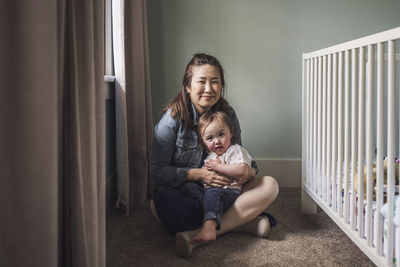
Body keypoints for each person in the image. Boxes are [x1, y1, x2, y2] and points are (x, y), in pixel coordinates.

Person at [150, 53, 279, 257]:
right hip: (188, 192)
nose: (209, 89)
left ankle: (199, 232)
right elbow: (158, 173)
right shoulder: (171, 120)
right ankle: (241, 223)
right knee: (162, 203)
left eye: (215, 82)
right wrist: (199, 174)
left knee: (270, 185)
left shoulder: (228, 114)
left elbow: (240, 156)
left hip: (226, 189)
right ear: (188, 85)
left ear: (221, 86)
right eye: (201, 81)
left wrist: (248, 172)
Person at [186, 110, 254, 244]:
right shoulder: (210, 156)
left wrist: (218, 167)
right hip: (208, 192)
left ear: (231, 132)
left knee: (212, 195)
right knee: (190, 188)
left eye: (221, 134)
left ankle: (209, 228)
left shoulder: (234, 150)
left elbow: (242, 169)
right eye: (210, 138)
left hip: (229, 192)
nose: (217, 141)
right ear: (203, 142)